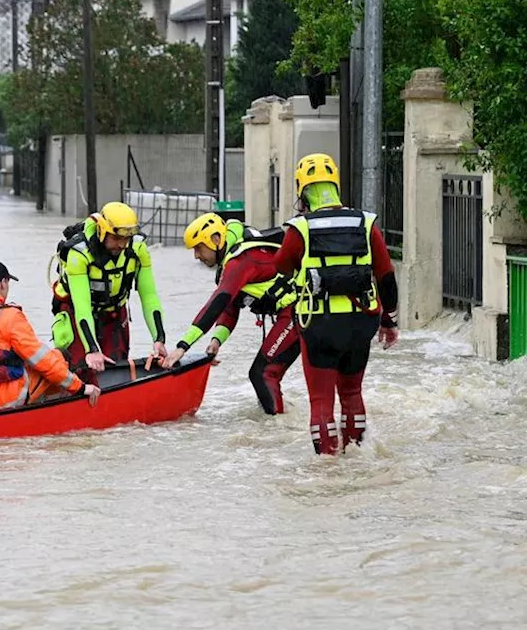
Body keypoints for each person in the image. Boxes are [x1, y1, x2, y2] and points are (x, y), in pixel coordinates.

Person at [273, 153, 400, 455]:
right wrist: (389, 321)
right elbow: (386, 275)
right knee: (352, 392)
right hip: (360, 323)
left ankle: (327, 468)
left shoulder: (299, 228)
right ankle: (357, 453)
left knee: (321, 400)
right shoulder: (366, 223)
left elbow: (281, 266)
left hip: (319, 326)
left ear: (302, 190)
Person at [162, 213, 301, 415]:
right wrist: (216, 341)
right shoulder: (233, 260)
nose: (196, 256)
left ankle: (280, 429)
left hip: (298, 313)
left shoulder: (240, 261)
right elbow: (230, 309)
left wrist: (182, 347)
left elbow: (217, 304)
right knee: (262, 374)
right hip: (292, 314)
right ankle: (278, 423)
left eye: (199, 248)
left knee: (263, 374)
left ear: (216, 240)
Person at [0, 260, 102, 409]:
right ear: (3, 283)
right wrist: (80, 387)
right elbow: (43, 360)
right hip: (3, 399)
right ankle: (64, 408)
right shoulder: (9, 316)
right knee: (58, 357)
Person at [50, 202, 168, 380]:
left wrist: (159, 338)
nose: (121, 245)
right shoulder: (79, 254)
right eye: (115, 238)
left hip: (113, 313)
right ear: (102, 231)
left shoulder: (138, 250)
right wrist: (92, 349)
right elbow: (82, 306)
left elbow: (149, 296)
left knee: (116, 368)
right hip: (77, 314)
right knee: (80, 370)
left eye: (125, 239)